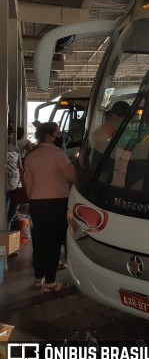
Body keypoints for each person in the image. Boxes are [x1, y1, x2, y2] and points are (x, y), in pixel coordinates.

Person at [23, 122, 76, 293]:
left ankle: (39, 279)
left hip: (37, 203)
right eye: (57, 135)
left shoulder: (31, 155)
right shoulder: (57, 154)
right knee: (54, 243)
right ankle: (51, 284)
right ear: (48, 137)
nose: (59, 137)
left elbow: (28, 185)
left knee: (39, 241)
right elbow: (72, 176)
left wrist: (34, 200)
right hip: (57, 203)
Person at [6, 128, 23, 223]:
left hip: (6, 185)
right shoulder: (15, 148)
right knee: (10, 214)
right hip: (15, 183)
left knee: (5, 212)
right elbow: (20, 168)